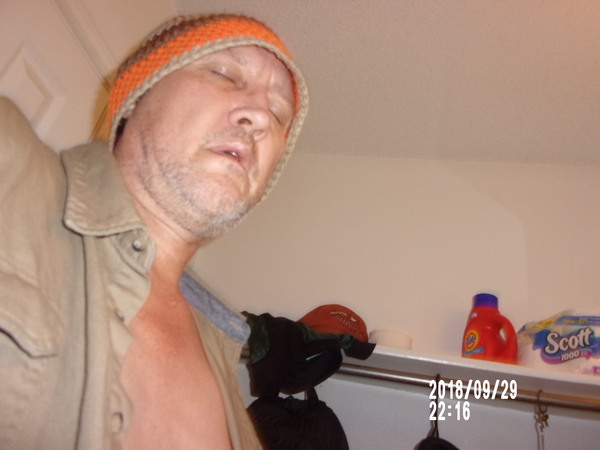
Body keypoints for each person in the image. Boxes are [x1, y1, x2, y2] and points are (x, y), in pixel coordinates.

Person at [0, 13, 308, 450]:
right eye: (223, 72)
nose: (260, 116)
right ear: (137, 96)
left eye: (279, 114)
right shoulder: (11, 172)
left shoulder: (224, 352)